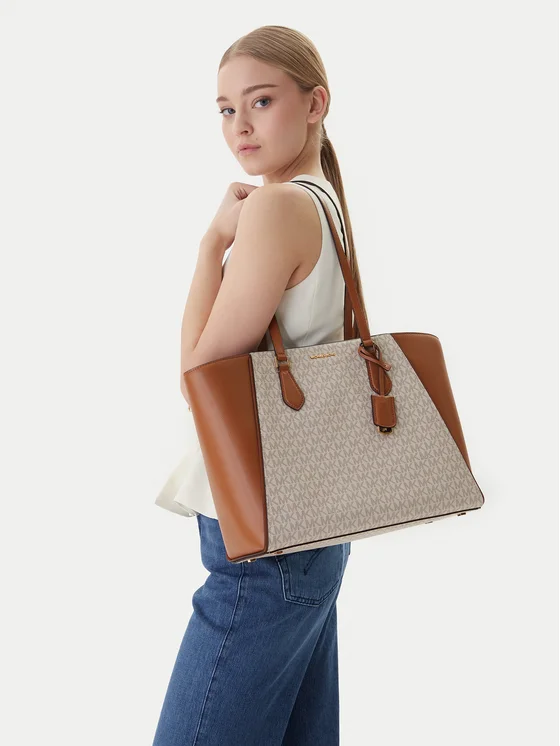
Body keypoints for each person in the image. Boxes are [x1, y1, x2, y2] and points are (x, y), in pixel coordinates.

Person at [152, 24, 370, 746]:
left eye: (261, 101)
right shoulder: (324, 202)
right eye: (225, 109)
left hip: (263, 533)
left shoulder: (278, 207)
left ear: (316, 104)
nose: (239, 126)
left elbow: (200, 379)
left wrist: (211, 244)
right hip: (313, 525)